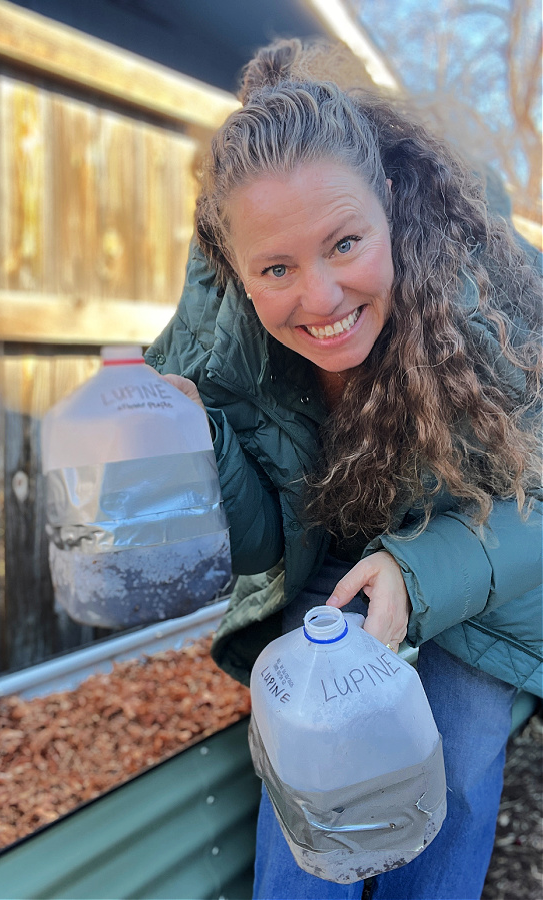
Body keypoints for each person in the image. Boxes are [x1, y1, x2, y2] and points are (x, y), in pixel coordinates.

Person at [145, 39, 542, 900]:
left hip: (472, 544)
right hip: (332, 551)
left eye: (345, 243)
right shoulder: (219, 331)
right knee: (309, 791)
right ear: (232, 261)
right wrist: (199, 445)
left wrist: (414, 572)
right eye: (277, 269)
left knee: (454, 768)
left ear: (390, 202)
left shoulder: (494, 293)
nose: (319, 300)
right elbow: (255, 546)